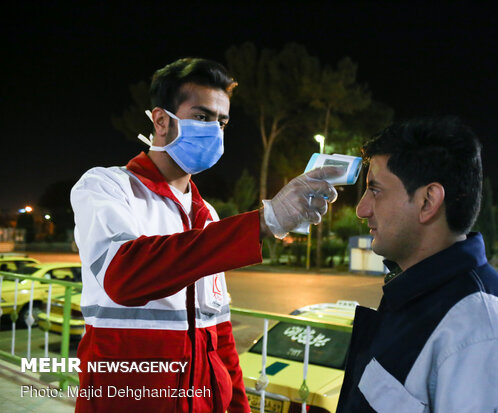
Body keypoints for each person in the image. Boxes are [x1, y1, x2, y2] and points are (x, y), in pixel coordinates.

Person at [71, 57, 340, 413]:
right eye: (202, 117)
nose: (215, 130)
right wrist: (264, 221)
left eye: (222, 121)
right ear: (161, 121)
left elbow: (220, 332)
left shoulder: (207, 216)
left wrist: (239, 407)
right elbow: (124, 275)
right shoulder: (107, 186)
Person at [336, 117, 498, 412]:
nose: (362, 209)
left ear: (428, 201)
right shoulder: (420, 298)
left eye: (375, 190)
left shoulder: (485, 340)